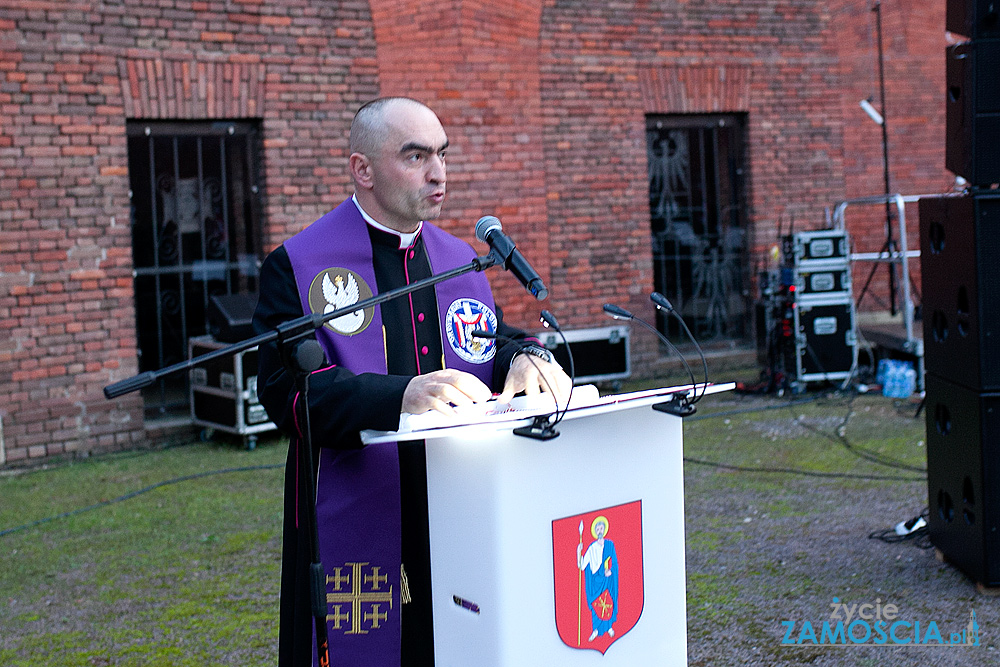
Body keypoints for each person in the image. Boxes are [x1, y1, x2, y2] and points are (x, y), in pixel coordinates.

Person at [253, 97, 571, 667]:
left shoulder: (459, 260)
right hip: (356, 504)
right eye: (416, 155)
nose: (439, 173)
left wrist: (524, 355)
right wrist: (398, 395)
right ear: (363, 169)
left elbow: (482, 342)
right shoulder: (299, 265)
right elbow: (286, 391)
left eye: (442, 154)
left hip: (458, 502)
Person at [576, 515, 619, 641]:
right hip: (596, 581)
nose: (600, 531)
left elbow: (614, 562)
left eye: (601, 528)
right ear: (595, 532)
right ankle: (595, 630)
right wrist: (579, 552)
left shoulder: (610, 545)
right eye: (597, 529)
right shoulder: (592, 548)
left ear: (604, 529)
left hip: (607, 580)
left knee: (608, 603)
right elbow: (582, 566)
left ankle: (609, 627)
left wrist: (610, 571)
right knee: (597, 606)